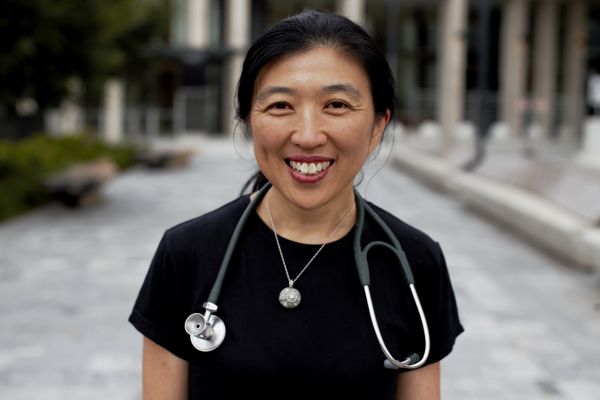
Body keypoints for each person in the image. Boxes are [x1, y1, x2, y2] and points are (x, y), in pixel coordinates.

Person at [129, 9, 463, 400]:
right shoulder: (187, 253)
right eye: (280, 106)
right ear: (250, 122)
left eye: (336, 105)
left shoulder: (414, 262)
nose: (307, 136)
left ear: (377, 126)